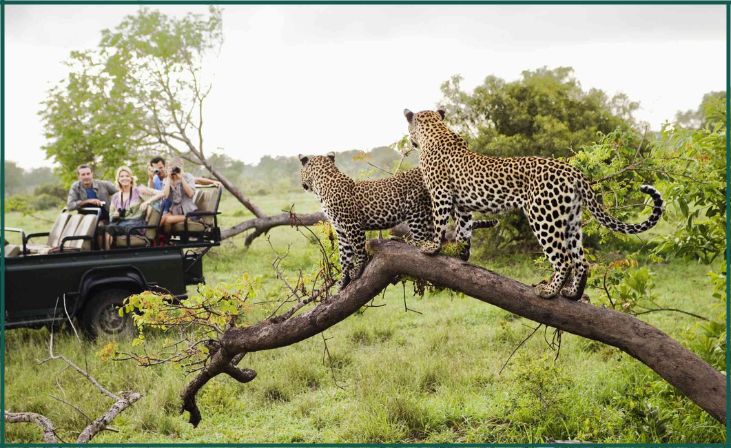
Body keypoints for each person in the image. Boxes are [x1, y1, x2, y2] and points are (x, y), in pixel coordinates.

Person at [104, 166, 163, 249]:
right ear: (118, 179)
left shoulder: (138, 191)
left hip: (136, 225)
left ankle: (108, 256)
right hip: (121, 223)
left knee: (113, 228)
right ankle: (108, 254)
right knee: (106, 228)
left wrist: (147, 202)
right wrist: (115, 215)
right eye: (122, 176)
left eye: (127, 176)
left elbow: (161, 193)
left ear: (131, 178)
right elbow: (111, 218)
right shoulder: (115, 197)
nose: (125, 178)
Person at [159, 159, 200, 235]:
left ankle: (165, 241)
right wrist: (168, 178)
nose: (173, 170)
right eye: (170, 168)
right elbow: (166, 196)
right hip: (175, 212)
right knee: (161, 219)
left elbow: (190, 194)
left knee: (167, 220)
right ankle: (160, 241)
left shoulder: (188, 177)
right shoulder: (167, 180)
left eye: (175, 168)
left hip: (189, 213)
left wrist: (181, 178)